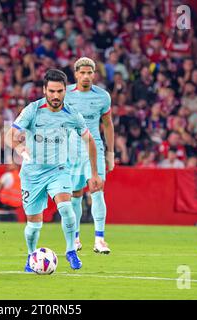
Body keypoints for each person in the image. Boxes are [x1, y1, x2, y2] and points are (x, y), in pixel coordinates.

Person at [5, 69, 102, 271]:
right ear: (44, 90)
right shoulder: (32, 110)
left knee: (66, 208)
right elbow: (9, 135)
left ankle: (70, 251)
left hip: (59, 170)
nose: (56, 96)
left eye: (59, 91)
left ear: (65, 91)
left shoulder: (72, 114)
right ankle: (31, 256)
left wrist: (93, 173)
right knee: (34, 224)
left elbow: (90, 141)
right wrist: (19, 146)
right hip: (32, 174)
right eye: (51, 91)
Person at [65, 57, 115, 254]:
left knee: (97, 189)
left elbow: (108, 124)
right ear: (76, 74)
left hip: (94, 150)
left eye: (89, 73)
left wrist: (110, 153)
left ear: (94, 74)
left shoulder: (103, 96)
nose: (86, 76)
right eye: (82, 73)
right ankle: (76, 239)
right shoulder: (65, 94)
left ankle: (100, 239)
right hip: (71, 152)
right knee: (75, 195)